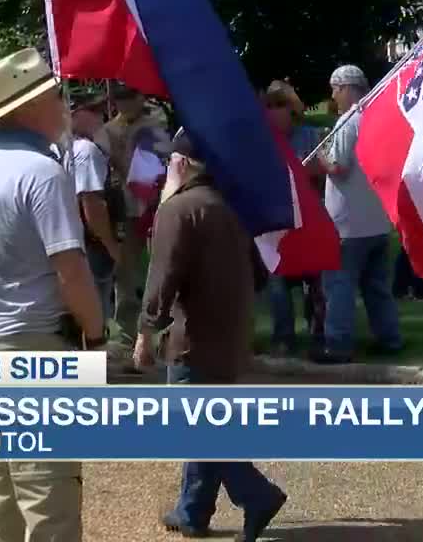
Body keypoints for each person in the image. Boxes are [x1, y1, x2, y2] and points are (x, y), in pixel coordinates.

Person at [0, 48, 104, 542]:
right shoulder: (43, 173)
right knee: (50, 503)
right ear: (30, 107)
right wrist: (96, 337)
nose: (64, 106)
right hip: (36, 348)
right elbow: (70, 268)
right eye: (55, 97)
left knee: (3, 500)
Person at [133, 129, 287, 542]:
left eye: (170, 160)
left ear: (183, 164)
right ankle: (193, 511)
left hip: (194, 338)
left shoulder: (179, 209)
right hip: (231, 333)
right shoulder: (230, 205)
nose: (166, 166)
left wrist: (146, 333)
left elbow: (162, 277)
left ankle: (256, 494)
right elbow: (259, 274)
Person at [313, 65, 403, 365]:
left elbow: (338, 168)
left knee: (339, 286)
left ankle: (338, 344)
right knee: (377, 287)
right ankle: (390, 338)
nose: (332, 95)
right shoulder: (379, 118)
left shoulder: (348, 121)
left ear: (345, 88)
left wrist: (321, 155)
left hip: (347, 223)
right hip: (378, 218)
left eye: (335, 89)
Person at [262, 84, 329, 353]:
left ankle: (319, 332)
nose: (274, 112)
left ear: (293, 110)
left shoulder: (311, 136)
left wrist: (304, 170)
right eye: (269, 107)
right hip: (276, 221)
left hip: (310, 219)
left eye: (281, 106)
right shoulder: (261, 141)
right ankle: (283, 336)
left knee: (315, 280)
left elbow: (324, 171)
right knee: (277, 280)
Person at [103, 82, 171, 344]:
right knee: (125, 272)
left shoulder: (156, 121)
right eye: (121, 97)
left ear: (141, 96)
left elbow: (163, 157)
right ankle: (127, 332)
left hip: (157, 206)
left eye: (131, 96)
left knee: (164, 267)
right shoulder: (110, 129)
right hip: (129, 208)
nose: (126, 102)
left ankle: (165, 329)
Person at [64, 91, 121, 330]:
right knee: (97, 314)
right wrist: (112, 247)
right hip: (92, 245)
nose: (101, 117)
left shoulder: (62, 148)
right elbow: (92, 204)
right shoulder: (86, 151)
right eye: (94, 111)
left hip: (72, 242)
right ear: (75, 114)